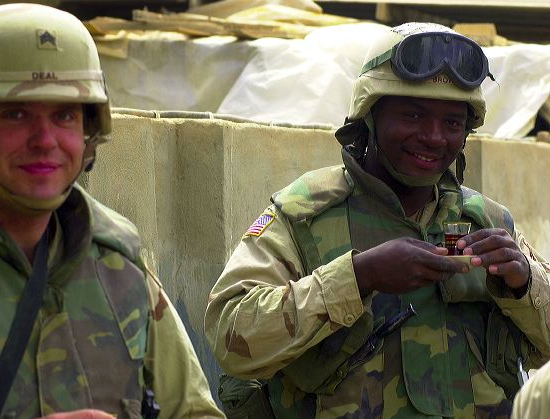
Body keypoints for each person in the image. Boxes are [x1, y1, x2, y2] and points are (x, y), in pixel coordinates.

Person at [205, 22, 550, 418]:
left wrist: (525, 283)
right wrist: (358, 277)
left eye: (452, 122)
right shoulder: (306, 214)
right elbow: (230, 335)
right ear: (370, 115)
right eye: (413, 115)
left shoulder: (485, 220)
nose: (434, 137)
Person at [0, 3, 223, 418]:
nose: (45, 140)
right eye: (16, 114)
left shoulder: (119, 263)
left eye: (64, 115)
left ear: (88, 133)